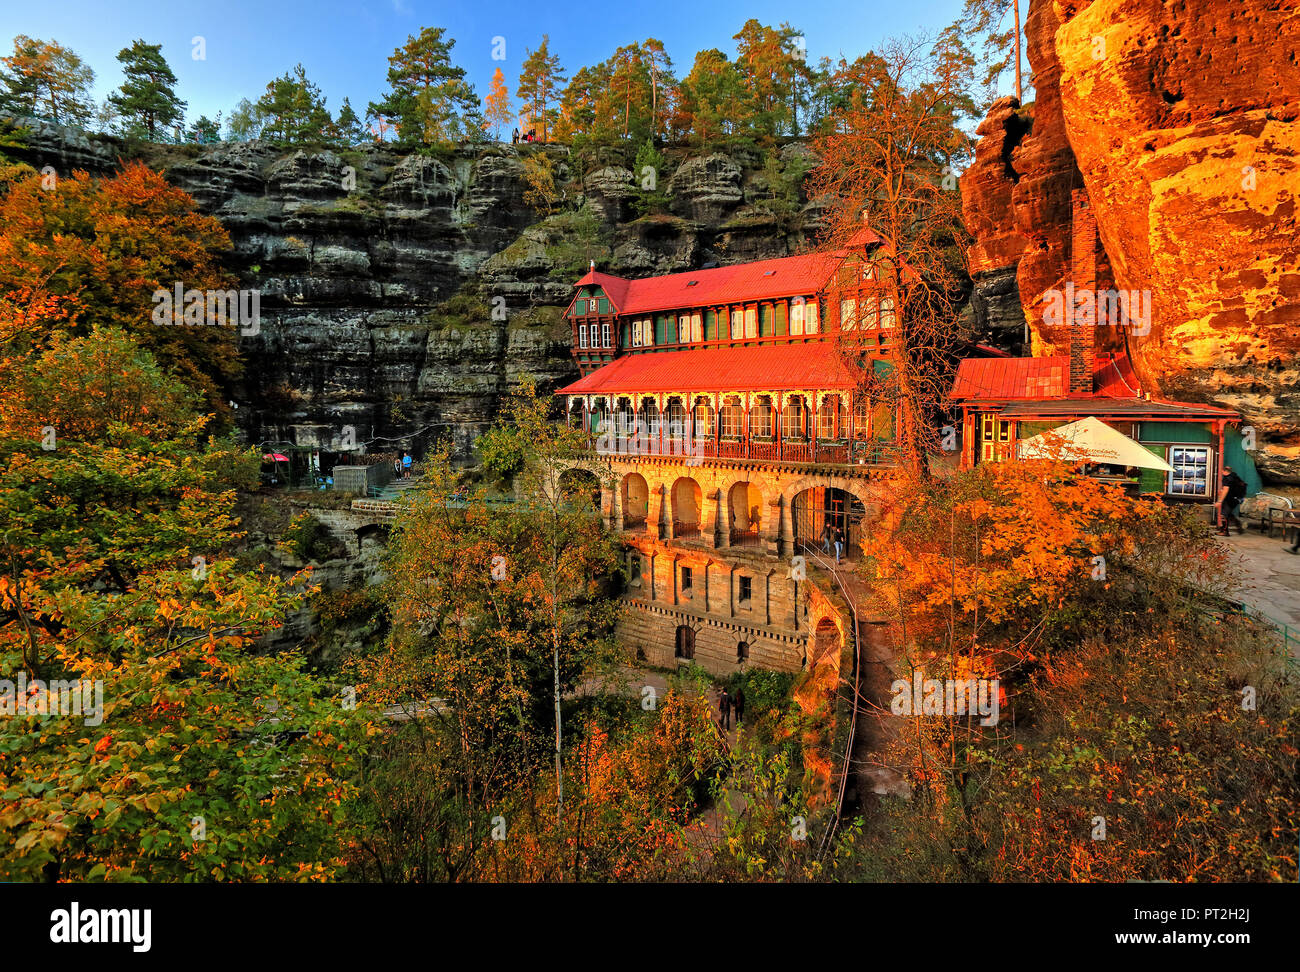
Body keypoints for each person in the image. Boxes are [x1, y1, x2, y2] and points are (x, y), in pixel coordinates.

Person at [1217, 464, 1246, 536]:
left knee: (1223, 515)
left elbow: (1225, 490)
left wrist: (1219, 501)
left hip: (1230, 499)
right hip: (1237, 498)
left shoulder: (1227, 479)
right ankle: (1238, 525)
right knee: (1228, 514)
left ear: (1223, 471)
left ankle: (1225, 532)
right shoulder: (1234, 476)